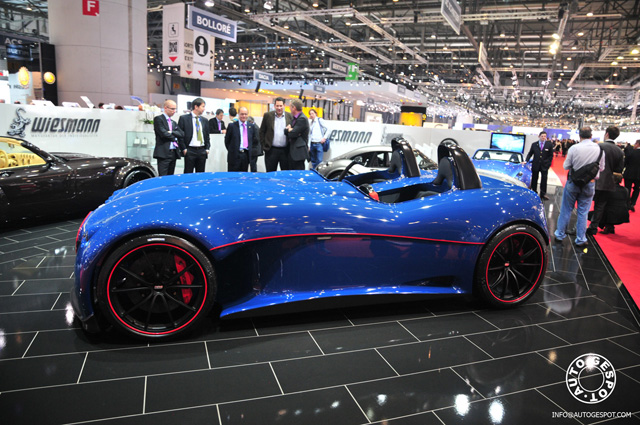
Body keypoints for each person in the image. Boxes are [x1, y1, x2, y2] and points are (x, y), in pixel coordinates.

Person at [554, 127, 606, 247]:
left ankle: (560, 235)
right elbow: (601, 168)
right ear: (591, 135)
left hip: (573, 182)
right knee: (583, 212)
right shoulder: (600, 149)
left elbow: (566, 166)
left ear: (580, 136)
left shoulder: (574, 148)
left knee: (566, 209)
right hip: (590, 184)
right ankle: (581, 239)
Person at [588, 126, 624, 235]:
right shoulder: (619, 151)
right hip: (609, 183)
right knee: (600, 206)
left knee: (586, 203)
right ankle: (593, 227)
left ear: (606, 134)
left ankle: (580, 227)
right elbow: (619, 170)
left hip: (594, 180)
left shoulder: (599, 146)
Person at [259, 97, 292, 172]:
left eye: (281, 106)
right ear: (274, 106)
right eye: (277, 106)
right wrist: (264, 146)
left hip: (285, 151)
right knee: (270, 173)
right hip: (271, 150)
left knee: (285, 174)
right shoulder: (268, 115)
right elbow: (262, 131)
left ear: (284, 105)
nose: (279, 108)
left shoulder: (290, 116)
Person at [178, 97, 210, 173]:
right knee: (188, 173)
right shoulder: (184, 118)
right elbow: (180, 135)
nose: (204, 109)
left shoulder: (204, 120)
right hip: (190, 150)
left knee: (201, 174)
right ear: (196, 107)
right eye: (202, 106)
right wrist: (184, 149)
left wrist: (207, 148)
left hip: (202, 151)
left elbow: (206, 135)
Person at [153, 100, 184, 176]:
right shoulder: (159, 119)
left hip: (173, 152)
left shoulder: (173, 122)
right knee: (163, 176)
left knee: (171, 176)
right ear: (165, 108)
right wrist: (174, 137)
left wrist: (171, 132)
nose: (174, 111)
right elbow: (163, 134)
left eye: (175, 109)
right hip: (163, 153)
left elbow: (182, 134)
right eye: (172, 109)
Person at [224, 107, 259, 172]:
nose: (244, 116)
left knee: (243, 176)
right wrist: (232, 150)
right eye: (242, 114)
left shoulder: (251, 126)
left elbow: (254, 141)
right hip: (234, 156)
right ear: (238, 114)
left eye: (245, 114)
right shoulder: (232, 126)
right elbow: (227, 141)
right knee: (233, 177)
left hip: (245, 155)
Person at [525, 130, 554, 200]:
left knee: (544, 179)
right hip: (536, 164)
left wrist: (548, 163)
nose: (543, 138)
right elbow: (530, 153)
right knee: (534, 179)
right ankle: (534, 191)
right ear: (539, 136)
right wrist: (526, 160)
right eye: (542, 136)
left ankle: (543, 193)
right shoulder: (534, 144)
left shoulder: (549, 145)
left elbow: (551, 155)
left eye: (545, 136)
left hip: (544, 165)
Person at [284, 99, 310, 170]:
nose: (289, 109)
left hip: (298, 153)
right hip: (292, 151)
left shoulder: (302, 119)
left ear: (294, 107)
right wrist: (288, 130)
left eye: (290, 107)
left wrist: (289, 130)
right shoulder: (295, 118)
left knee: (298, 173)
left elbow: (292, 134)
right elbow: (289, 132)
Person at [624, 140, 640, 212]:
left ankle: (627, 204)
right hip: (639, 175)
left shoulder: (631, 152)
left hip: (629, 174)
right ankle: (632, 203)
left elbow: (625, 162)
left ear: (637, 144)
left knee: (627, 189)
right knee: (637, 189)